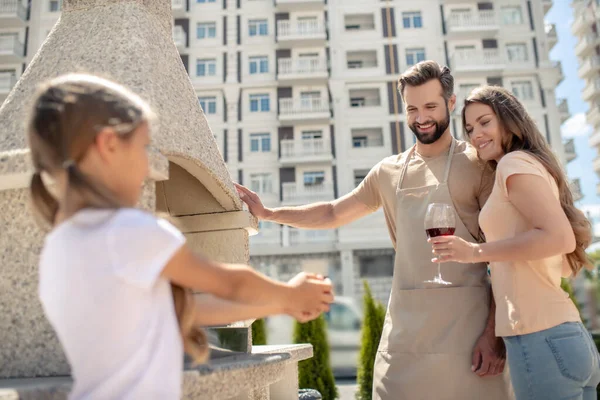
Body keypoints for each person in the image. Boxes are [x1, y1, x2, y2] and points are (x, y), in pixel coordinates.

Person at [28, 73, 334, 400]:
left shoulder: (59, 247)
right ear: (109, 144)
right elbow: (230, 283)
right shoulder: (126, 230)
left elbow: (189, 311)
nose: (150, 164)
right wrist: (290, 294)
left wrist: (278, 304)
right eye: (144, 146)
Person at [235, 61, 513, 399]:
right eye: (412, 108)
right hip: (406, 330)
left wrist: (494, 334)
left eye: (430, 106)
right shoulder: (388, 171)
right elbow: (332, 212)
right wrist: (269, 212)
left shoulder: (480, 165)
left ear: (451, 104)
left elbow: (504, 256)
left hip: (469, 331)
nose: (421, 117)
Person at [430, 85, 600, 400]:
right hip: (566, 337)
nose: (475, 134)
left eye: (484, 122)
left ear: (509, 121)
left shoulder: (514, 164)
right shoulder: (529, 167)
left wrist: (474, 252)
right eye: (469, 128)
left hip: (541, 339)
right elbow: (557, 260)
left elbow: (559, 238)